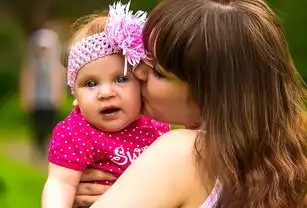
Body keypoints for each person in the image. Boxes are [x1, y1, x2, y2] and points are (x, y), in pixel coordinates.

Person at [71, 0, 307, 207]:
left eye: (158, 72)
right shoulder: (287, 158)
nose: (139, 72)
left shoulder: (182, 153)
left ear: (210, 94)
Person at [41, 2, 170, 208]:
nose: (106, 93)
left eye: (120, 79)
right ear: (76, 96)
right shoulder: (76, 131)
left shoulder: (156, 125)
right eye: (91, 83)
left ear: (141, 82)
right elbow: (60, 183)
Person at [20, 24, 66, 157]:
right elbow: (27, 79)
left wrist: (59, 95)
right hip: (36, 99)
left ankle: (52, 147)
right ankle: (38, 148)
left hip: (50, 99)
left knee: (51, 124)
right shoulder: (31, 64)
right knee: (36, 125)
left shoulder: (55, 65)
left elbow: (59, 80)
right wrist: (26, 97)